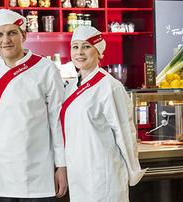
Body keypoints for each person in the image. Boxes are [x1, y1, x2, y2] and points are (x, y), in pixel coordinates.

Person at [0, 9, 68, 201]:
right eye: (0, 35)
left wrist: (62, 166)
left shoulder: (46, 69)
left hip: (37, 173)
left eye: (12, 33)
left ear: (24, 35)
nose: (6, 40)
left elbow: (57, 121)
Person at [60, 26, 147, 201]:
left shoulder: (109, 85)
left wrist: (132, 169)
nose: (79, 52)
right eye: (75, 47)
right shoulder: (70, 87)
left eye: (86, 46)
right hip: (79, 174)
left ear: (98, 51)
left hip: (104, 174)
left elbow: (124, 131)